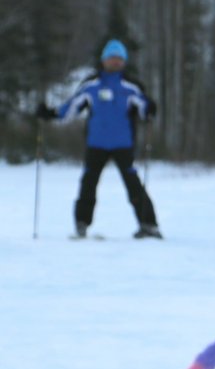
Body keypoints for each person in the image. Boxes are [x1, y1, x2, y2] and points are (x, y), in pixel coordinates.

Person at [37, 39, 161, 239]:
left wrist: (150, 108)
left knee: (133, 184)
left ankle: (149, 225)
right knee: (88, 183)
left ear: (124, 62)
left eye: (119, 58)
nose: (115, 62)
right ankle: (81, 223)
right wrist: (50, 113)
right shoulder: (91, 85)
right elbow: (72, 108)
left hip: (123, 143)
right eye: (112, 58)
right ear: (104, 60)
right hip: (96, 143)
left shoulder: (131, 86)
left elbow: (145, 109)